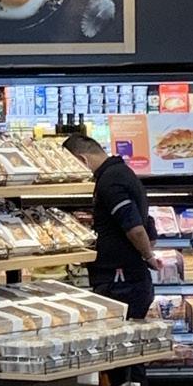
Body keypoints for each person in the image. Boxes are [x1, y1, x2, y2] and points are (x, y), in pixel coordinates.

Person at [62, 131, 158, 318]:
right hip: (129, 278)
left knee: (119, 328)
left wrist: (148, 256)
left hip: (121, 281)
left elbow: (134, 227)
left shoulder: (111, 180)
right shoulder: (121, 172)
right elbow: (146, 223)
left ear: (82, 159)